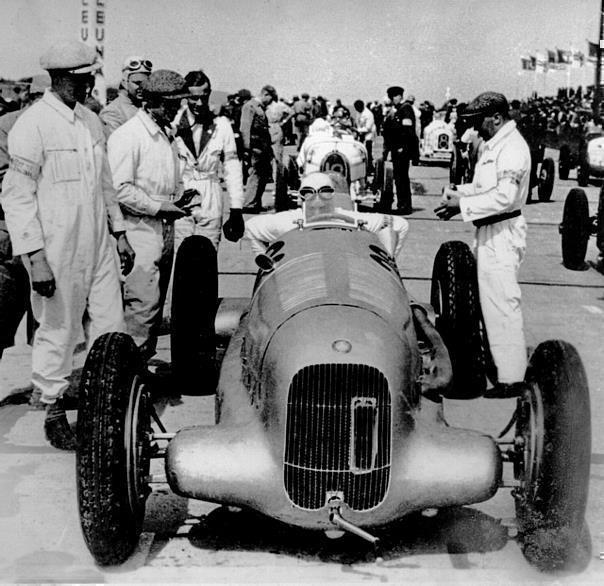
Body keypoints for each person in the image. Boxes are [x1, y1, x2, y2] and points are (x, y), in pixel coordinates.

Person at [0, 40, 134, 449]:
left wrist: (120, 230)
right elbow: (16, 195)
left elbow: (106, 184)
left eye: (89, 77)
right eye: (81, 79)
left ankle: (103, 405)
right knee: (58, 327)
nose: (89, 86)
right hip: (56, 246)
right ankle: (53, 407)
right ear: (59, 79)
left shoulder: (90, 122)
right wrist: (34, 257)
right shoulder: (33, 124)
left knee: (111, 325)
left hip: (98, 243)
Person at [435, 91, 530, 397]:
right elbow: (482, 187)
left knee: (502, 303)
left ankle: (511, 378)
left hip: (503, 231)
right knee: (487, 300)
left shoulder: (514, 149)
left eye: (480, 122)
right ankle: (500, 365)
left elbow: (505, 196)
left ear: (497, 118)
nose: (476, 129)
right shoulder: (494, 146)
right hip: (488, 230)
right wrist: (457, 192)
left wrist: (461, 208)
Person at [107, 70, 190, 361]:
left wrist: (181, 197)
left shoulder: (165, 136)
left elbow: (165, 179)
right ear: (152, 101)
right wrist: (158, 207)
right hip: (138, 229)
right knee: (142, 305)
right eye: (170, 103)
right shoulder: (128, 136)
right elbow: (119, 189)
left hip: (163, 229)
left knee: (154, 305)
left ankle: (141, 369)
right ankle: (128, 376)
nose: (176, 109)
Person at [245, 171, 409, 259]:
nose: (317, 198)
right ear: (301, 196)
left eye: (325, 191)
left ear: (333, 194)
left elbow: (399, 225)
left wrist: (387, 260)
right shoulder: (286, 221)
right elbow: (251, 228)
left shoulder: (351, 218)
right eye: (309, 192)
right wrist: (268, 264)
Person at [172, 70, 245, 251]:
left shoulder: (222, 125)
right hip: (181, 193)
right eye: (193, 98)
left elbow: (232, 168)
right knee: (180, 260)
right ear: (185, 97)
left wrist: (236, 209)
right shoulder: (173, 123)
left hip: (210, 194)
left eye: (203, 97)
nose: (199, 103)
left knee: (208, 258)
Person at [381, 86, 419, 215]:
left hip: (402, 150)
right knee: (398, 178)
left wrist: (403, 147)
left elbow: (408, 131)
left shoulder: (406, 109)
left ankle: (405, 206)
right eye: (392, 97)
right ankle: (402, 204)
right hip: (397, 149)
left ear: (400, 96)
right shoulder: (397, 110)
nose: (394, 100)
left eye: (395, 97)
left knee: (402, 178)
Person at [239, 85, 276, 213]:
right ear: (266, 94)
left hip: (263, 146)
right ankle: (249, 204)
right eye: (271, 99)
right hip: (255, 146)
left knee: (263, 175)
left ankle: (255, 202)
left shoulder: (259, 108)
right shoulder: (250, 106)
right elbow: (245, 128)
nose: (271, 103)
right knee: (255, 174)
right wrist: (246, 149)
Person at [99, 55, 152, 137]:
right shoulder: (112, 112)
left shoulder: (149, 107)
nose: (142, 87)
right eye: (137, 83)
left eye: (146, 83)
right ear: (125, 82)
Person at [353, 99, 376, 173]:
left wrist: (358, 130)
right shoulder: (359, 113)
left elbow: (368, 127)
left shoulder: (368, 114)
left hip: (369, 135)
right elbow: (358, 122)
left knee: (368, 152)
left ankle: (370, 168)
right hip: (362, 134)